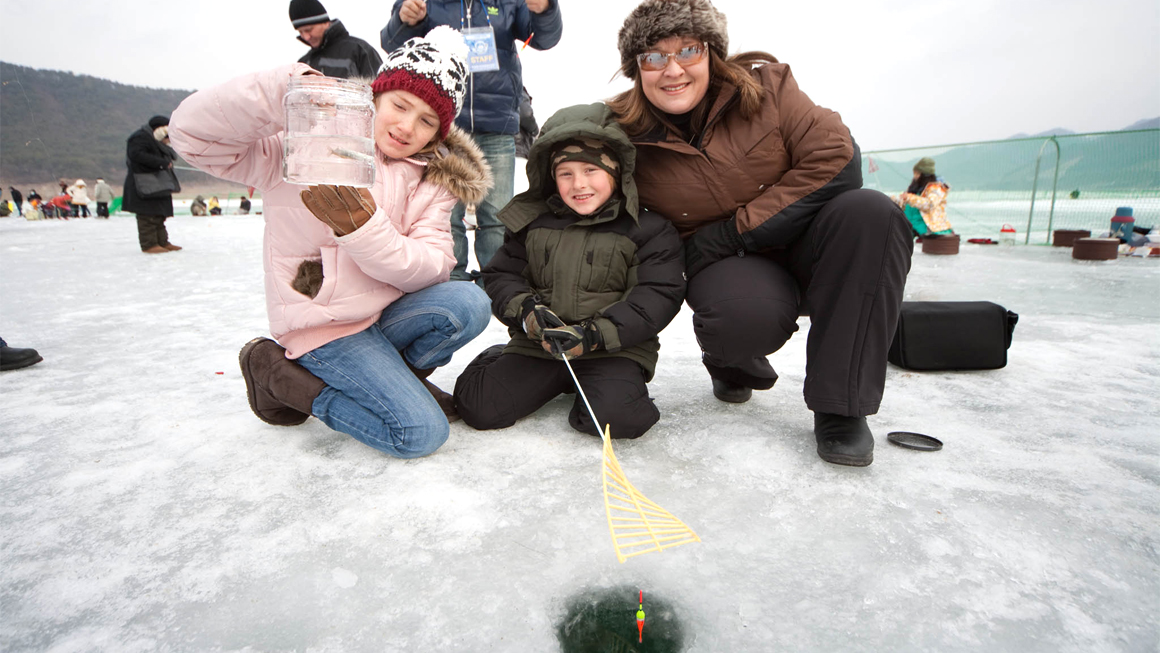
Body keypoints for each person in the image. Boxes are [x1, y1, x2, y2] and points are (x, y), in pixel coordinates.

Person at [608, 0, 913, 467]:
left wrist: (731, 232)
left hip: (813, 246)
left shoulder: (770, 88)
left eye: (687, 50)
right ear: (636, 69)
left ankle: (842, 407)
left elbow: (836, 159)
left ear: (712, 52)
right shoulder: (625, 133)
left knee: (873, 212)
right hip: (732, 270)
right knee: (741, 318)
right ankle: (731, 358)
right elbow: (577, 168)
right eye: (652, 56)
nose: (672, 70)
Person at [170, 27, 493, 459]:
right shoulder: (308, 142)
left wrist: (363, 229)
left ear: (439, 131)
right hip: (324, 327)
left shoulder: (434, 177)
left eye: (427, 120)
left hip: (381, 316)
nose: (406, 126)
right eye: (400, 105)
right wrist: (282, 92)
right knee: (419, 435)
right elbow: (193, 137)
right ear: (376, 96)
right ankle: (287, 381)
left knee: (469, 303)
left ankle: (397, 380)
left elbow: (435, 263)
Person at [454, 103, 685, 440]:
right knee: (480, 407)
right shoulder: (532, 221)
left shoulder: (648, 229)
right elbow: (501, 275)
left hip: (612, 349)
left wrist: (594, 334)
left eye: (591, 170)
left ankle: (599, 389)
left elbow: (657, 296)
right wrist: (528, 313)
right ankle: (501, 360)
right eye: (566, 173)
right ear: (552, 177)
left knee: (619, 421)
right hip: (540, 345)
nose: (579, 184)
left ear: (616, 171)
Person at [382, 0, 564, 284]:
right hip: (443, 127)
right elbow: (393, 43)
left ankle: (500, 281)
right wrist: (407, 21)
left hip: (497, 121)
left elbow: (543, 38)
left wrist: (545, 9)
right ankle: (447, 279)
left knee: (498, 214)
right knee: (444, 214)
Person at [123, 115, 182, 253]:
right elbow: (137, 155)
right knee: (147, 215)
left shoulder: (157, 140)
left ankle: (162, 242)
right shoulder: (138, 138)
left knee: (159, 215)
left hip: (159, 183)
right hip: (144, 184)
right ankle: (149, 245)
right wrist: (161, 163)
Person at [290, 0, 382, 79]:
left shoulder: (359, 50)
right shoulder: (303, 63)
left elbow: (381, 91)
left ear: (325, 22)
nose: (306, 37)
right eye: (301, 32)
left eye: (308, 30)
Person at [891, 157, 953, 237]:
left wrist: (909, 198)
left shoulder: (936, 188)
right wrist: (894, 200)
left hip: (927, 225)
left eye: (917, 173)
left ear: (924, 175)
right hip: (911, 223)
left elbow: (929, 204)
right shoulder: (915, 188)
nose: (915, 176)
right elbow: (906, 203)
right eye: (914, 173)